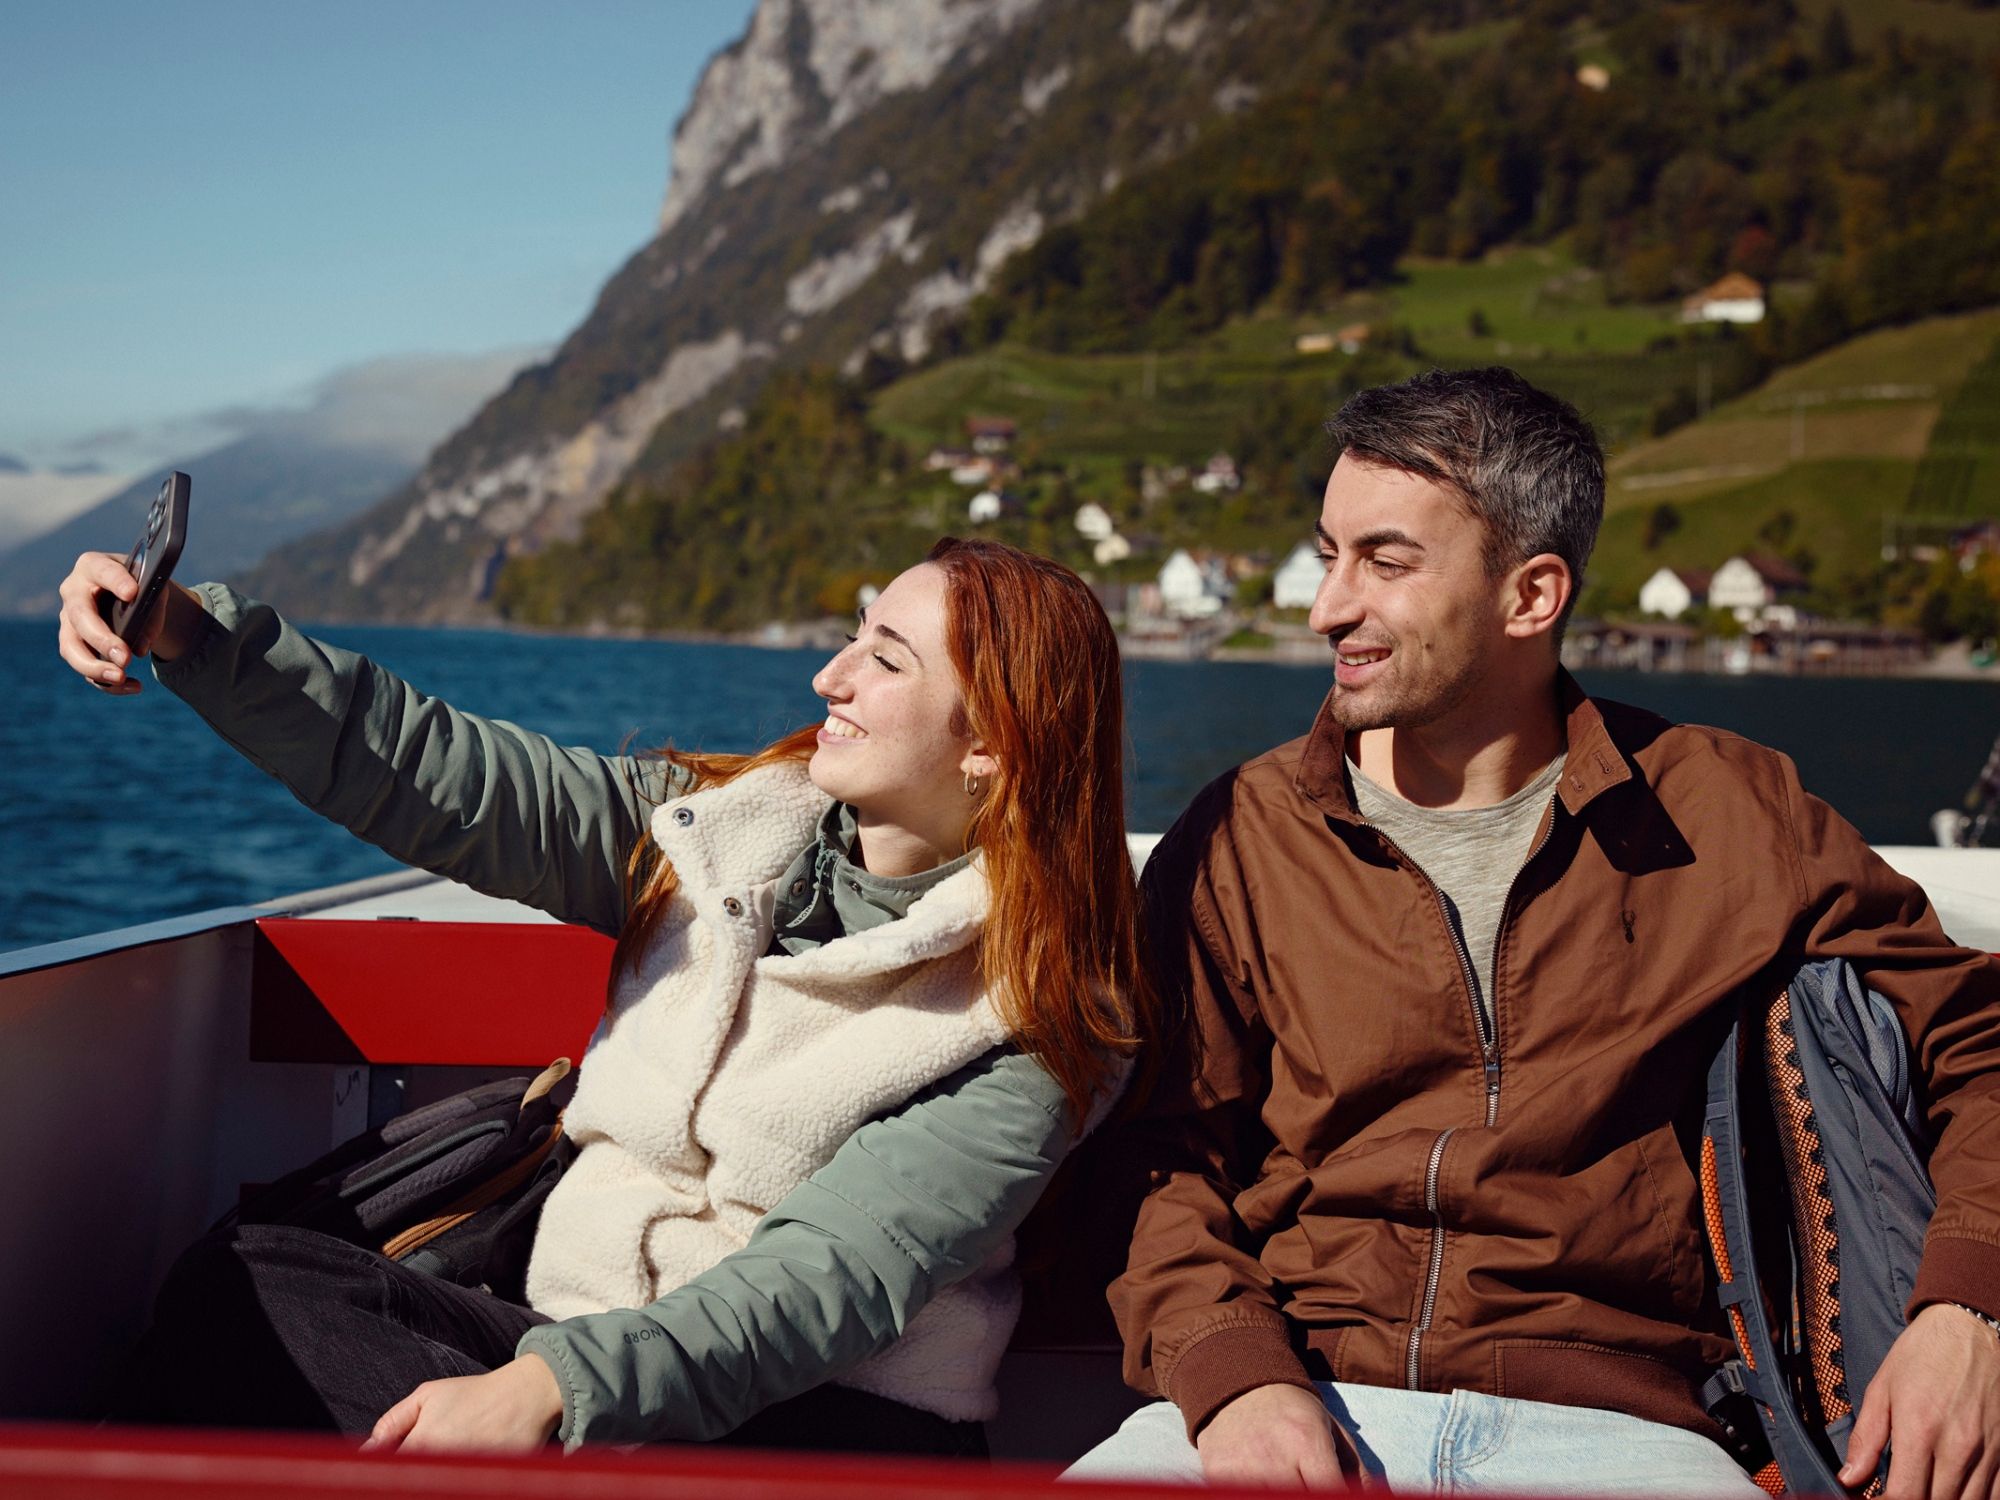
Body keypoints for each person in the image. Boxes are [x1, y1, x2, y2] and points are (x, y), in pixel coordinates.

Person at [1066, 368, 2000, 1497]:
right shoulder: (1240, 835)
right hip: (1295, 1398)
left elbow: (1977, 1042)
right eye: (1327, 554)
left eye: (1384, 562)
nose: (1325, 608)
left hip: (1628, 1437)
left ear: (1531, 595)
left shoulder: (1725, 810)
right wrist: (1232, 1377)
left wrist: (1967, 1307)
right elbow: (1161, 1157)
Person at [55, 536, 1153, 1458]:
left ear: (991, 747)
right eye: (852, 636)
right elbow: (441, 774)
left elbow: (826, 1284)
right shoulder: (714, 833)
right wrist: (191, 637)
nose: (831, 676)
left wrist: (550, 1392)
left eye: (886, 659)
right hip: (573, 1341)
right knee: (240, 1288)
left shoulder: (1037, 1009)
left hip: (815, 1425)